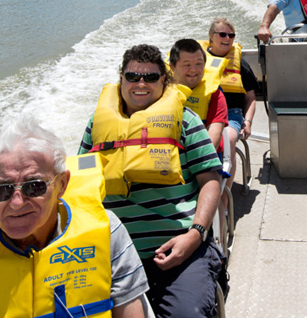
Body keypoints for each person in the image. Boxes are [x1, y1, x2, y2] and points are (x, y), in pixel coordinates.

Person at [0, 116, 148, 318]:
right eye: (2, 190)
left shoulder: (107, 232)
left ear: (62, 184)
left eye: (34, 187)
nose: (17, 203)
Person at [79, 44, 223, 318]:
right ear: (121, 79)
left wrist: (195, 235)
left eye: (151, 77)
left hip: (180, 249)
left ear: (165, 80)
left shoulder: (186, 121)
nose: (140, 83)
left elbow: (211, 180)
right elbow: (80, 185)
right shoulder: (96, 125)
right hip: (114, 254)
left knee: (187, 314)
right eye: (133, 76)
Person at [202, 18, 259, 195]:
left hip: (231, 114)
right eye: (222, 34)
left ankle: (225, 198)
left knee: (228, 140)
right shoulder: (199, 61)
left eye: (231, 35)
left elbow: (251, 98)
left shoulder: (240, 64)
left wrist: (247, 121)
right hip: (203, 113)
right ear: (211, 37)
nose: (227, 38)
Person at [169, 38, 229, 156]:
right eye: (187, 65)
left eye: (199, 64)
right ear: (172, 66)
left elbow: (214, 137)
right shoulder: (160, 91)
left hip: (204, 159)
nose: (193, 70)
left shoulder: (215, 95)